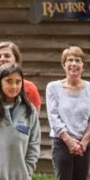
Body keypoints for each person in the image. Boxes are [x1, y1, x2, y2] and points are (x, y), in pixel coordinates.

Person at [0, 64, 40, 180]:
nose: (14, 86)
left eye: (18, 82)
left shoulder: (29, 111)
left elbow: (34, 144)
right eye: (9, 81)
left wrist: (27, 171)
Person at [46, 46, 90, 180]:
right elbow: (53, 117)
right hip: (61, 142)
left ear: (83, 66)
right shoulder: (53, 87)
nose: (74, 64)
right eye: (70, 60)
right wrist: (69, 141)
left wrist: (84, 142)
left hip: (85, 144)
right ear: (64, 65)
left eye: (78, 60)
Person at [0, 41, 41, 114]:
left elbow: (34, 116)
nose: (2, 59)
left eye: (7, 56)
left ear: (16, 59)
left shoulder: (30, 87)